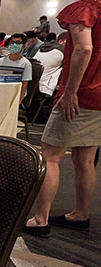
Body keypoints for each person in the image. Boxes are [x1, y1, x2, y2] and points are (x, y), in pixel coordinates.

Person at [24, 0, 101, 237]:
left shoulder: (85, 8)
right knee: (85, 158)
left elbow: (83, 48)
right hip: (98, 95)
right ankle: (80, 214)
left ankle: (40, 219)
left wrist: (70, 92)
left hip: (82, 93)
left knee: (50, 155)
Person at [0, 33, 33, 101]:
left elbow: (24, 85)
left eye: (18, 43)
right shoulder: (0, 61)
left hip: (15, 96)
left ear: (23, 46)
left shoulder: (26, 64)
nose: (14, 45)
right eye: (12, 43)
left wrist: (19, 101)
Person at [34, 32, 67, 96]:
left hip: (33, 86)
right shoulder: (62, 51)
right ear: (60, 42)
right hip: (45, 89)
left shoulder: (40, 48)